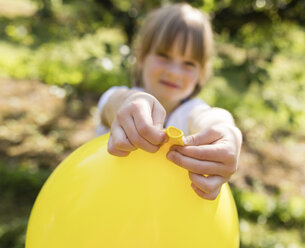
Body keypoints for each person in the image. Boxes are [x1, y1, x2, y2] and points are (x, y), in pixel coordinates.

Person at [97, 3, 242, 200]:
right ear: (141, 56)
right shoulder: (124, 100)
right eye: (163, 56)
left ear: (202, 73)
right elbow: (111, 104)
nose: (174, 72)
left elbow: (211, 118)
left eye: (189, 63)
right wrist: (131, 101)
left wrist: (227, 132)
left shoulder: (191, 111)